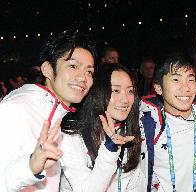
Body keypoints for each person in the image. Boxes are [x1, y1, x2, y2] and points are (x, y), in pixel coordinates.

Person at [0, 30, 96, 191]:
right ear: (47, 69)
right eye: (73, 66)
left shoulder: (58, 115)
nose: (83, 77)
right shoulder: (15, 110)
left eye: (89, 71)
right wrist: (30, 167)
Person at [139, 54, 196, 191]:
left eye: (190, 79)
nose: (185, 88)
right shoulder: (148, 126)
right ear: (158, 88)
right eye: (176, 79)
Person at [60, 64, 143, 191]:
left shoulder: (131, 132)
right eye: (115, 90)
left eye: (130, 91)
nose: (125, 99)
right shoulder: (72, 136)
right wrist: (110, 149)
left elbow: (135, 185)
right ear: (98, 92)